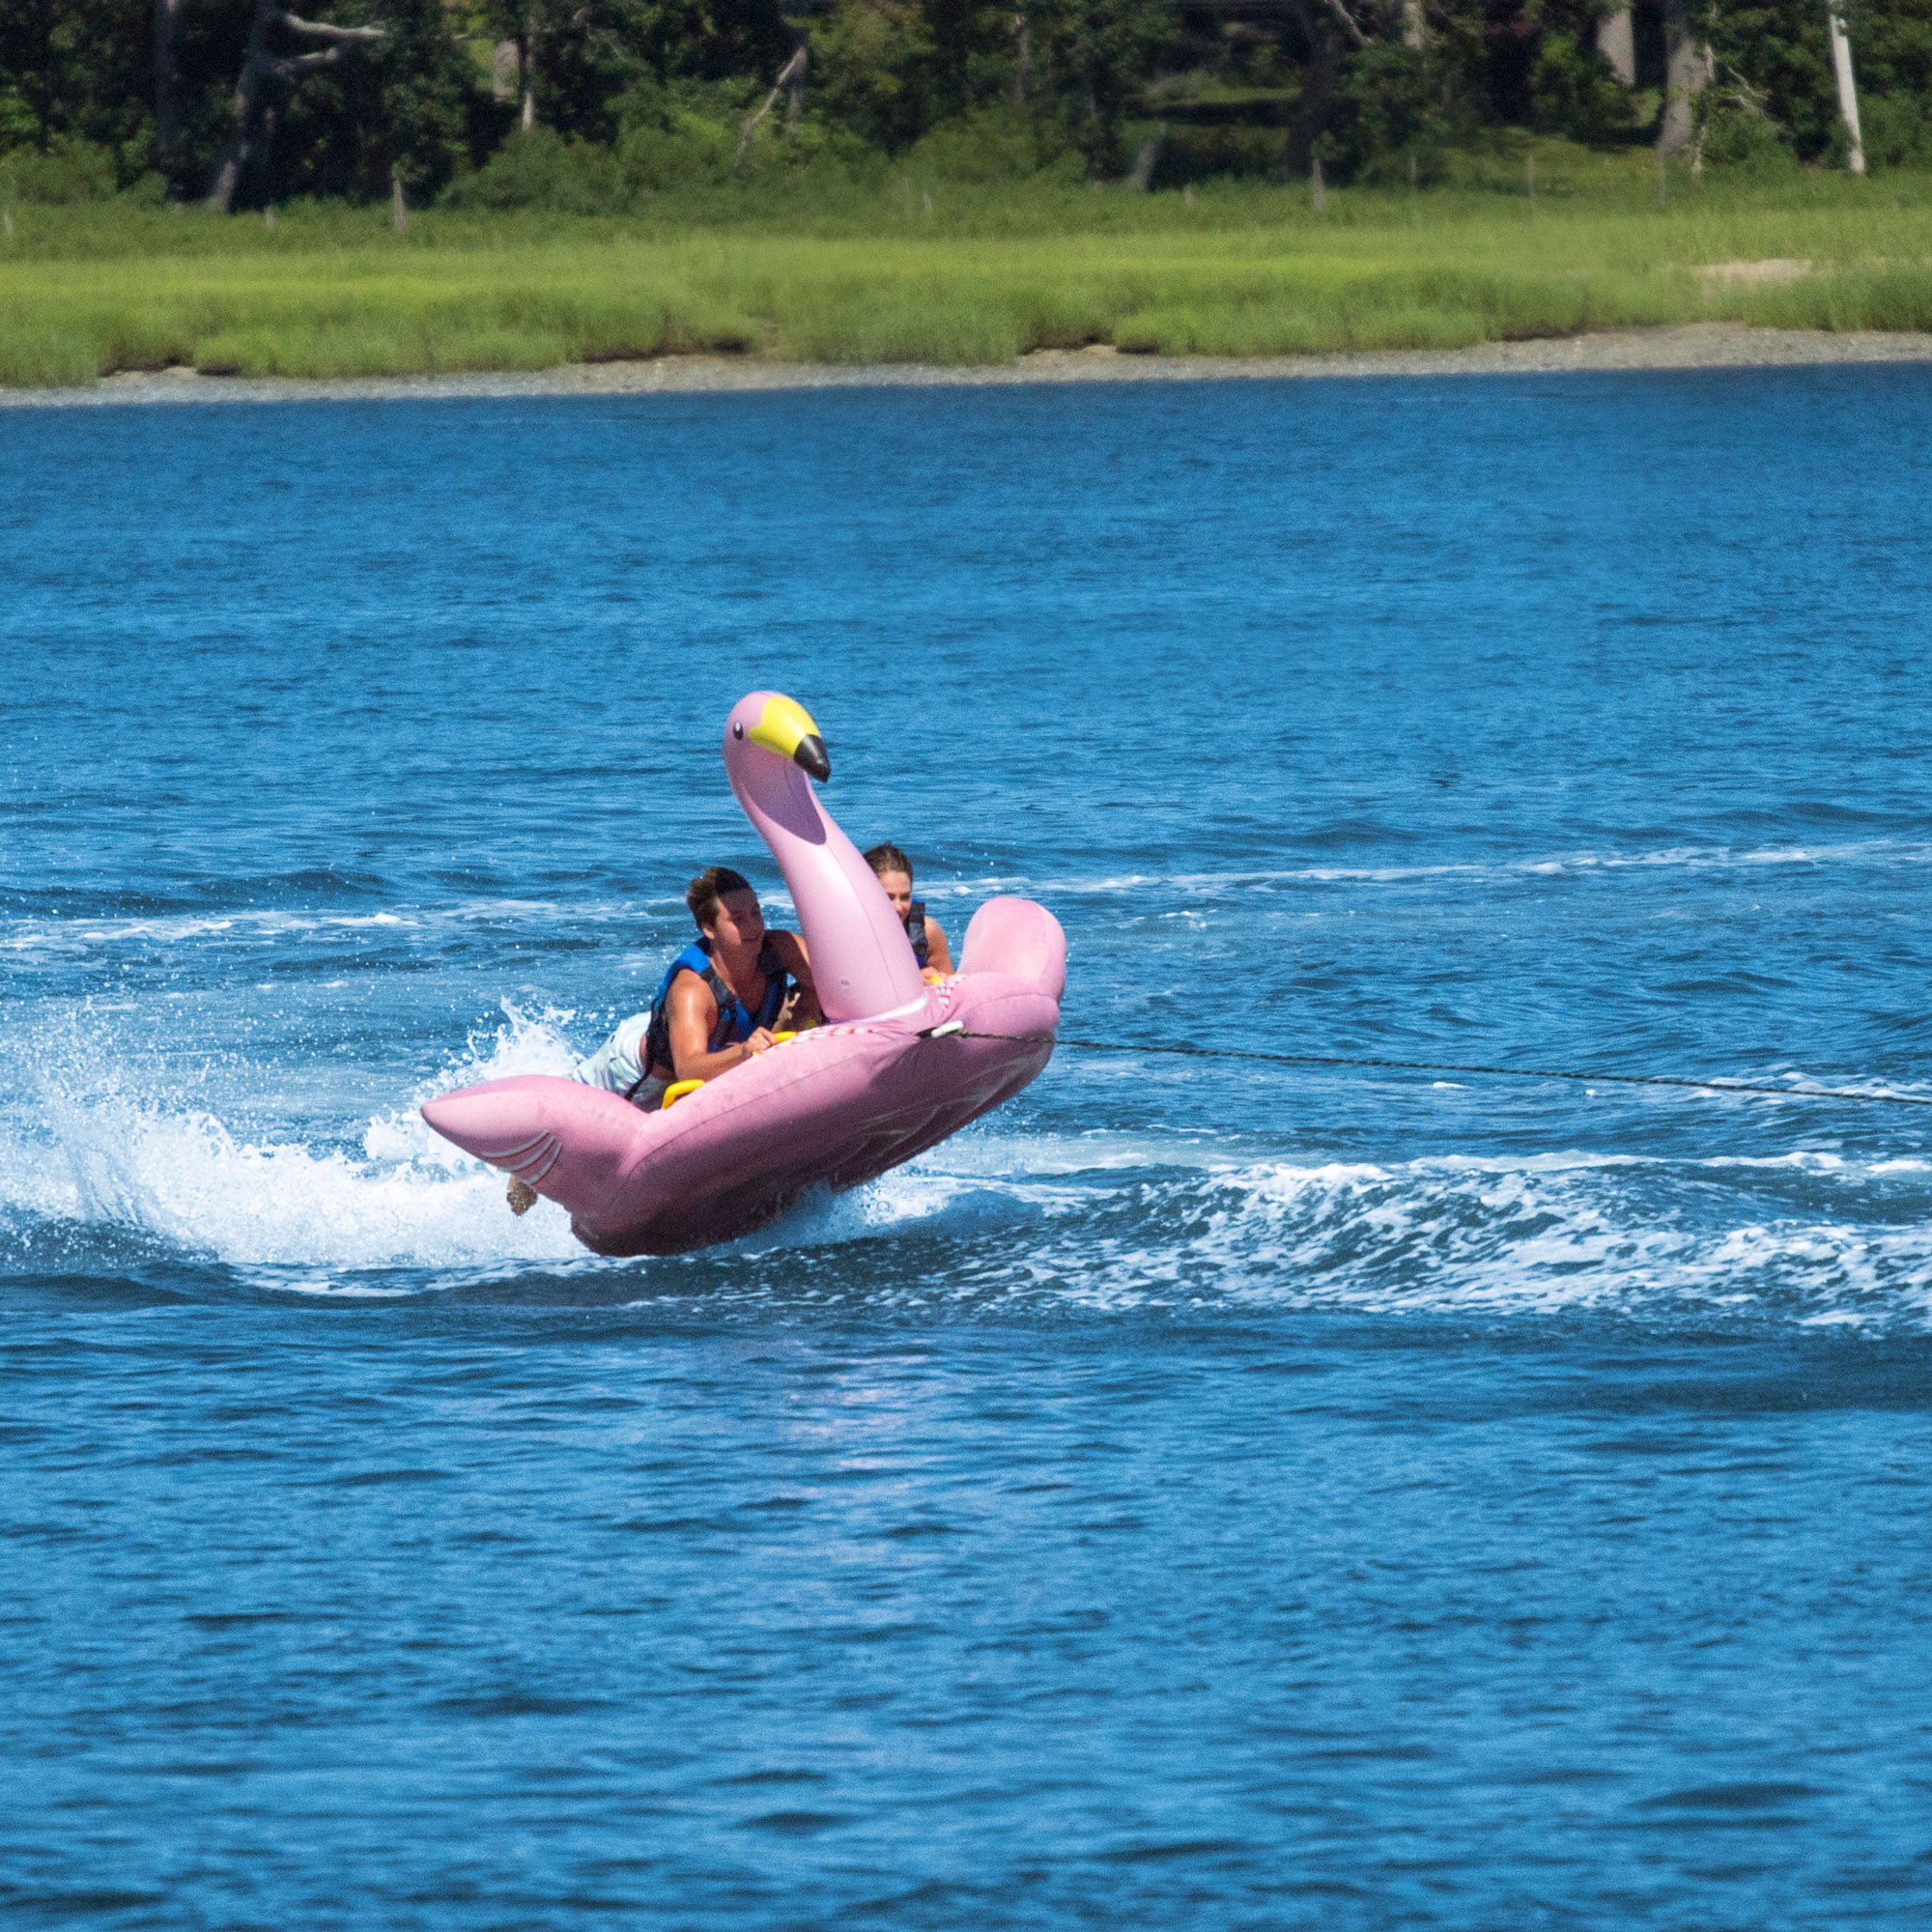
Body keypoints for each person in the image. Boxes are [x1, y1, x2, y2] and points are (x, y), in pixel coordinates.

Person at [507, 867, 817, 1213]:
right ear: (709, 929)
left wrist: (801, 1020)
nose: (754, 927)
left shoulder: (782, 950)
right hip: (640, 1072)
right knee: (570, 1129)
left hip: (703, 1039)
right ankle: (526, 1171)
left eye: (757, 912)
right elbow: (688, 1069)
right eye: (738, 918)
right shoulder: (692, 990)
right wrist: (746, 1052)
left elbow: (823, 985)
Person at [864, 842, 952, 978]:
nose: (898, 907)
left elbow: (952, 992)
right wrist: (912, 979)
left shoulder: (928, 933)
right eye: (888, 897)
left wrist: (935, 982)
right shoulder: (842, 936)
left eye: (905, 897)